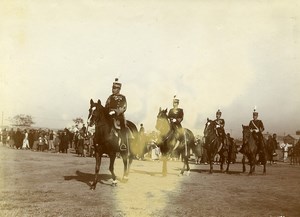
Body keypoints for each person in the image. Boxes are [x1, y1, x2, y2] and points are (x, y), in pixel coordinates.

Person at [105, 78, 127, 151]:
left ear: (118, 89)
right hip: (109, 115)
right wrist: (107, 111)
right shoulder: (110, 97)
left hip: (118, 116)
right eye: (112, 88)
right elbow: (106, 105)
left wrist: (116, 111)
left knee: (123, 126)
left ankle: (123, 143)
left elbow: (124, 107)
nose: (113, 90)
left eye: (114, 88)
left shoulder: (123, 97)